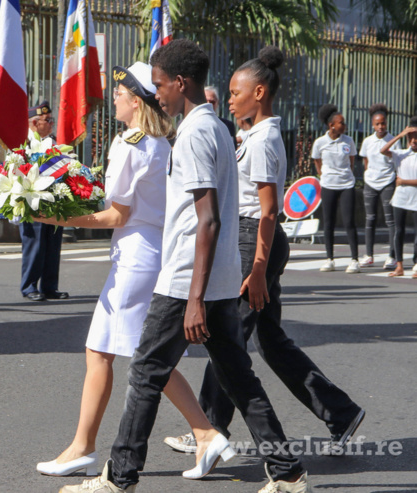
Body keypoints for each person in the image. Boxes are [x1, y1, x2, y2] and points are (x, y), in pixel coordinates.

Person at [61, 39, 309, 493]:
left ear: (181, 82)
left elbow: (208, 219)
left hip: (185, 282)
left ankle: (119, 478)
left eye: (159, 85)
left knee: (145, 374)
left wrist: (192, 299)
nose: (156, 95)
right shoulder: (213, 126)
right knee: (238, 377)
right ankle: (288, 472)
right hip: (216, 278)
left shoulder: (195, 132)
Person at [164, 46, 365, 462]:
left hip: (256, 242)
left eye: (236, 93)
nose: (230, 99)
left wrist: (257, 270)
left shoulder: (265, 138)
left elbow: (269, 210)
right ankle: (341, 413)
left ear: (258, 92)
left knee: (226, 336)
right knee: (272, 344)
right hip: (255, 240)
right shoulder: (256, 135)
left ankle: (211, 427)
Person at [33, 62, 225, 479]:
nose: (114, 99)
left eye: (119, 94)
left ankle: (203, 432)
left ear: (135, 101)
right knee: (116, 351)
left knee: (134, 354)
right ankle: (87, 445)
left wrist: (58, 219)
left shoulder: (131, 144)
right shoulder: (158, 142)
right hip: (150, 253)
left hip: (136, 257)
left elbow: (117, 216)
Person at [20, 102, 68, 302]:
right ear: (34, 122)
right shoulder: (23, 145)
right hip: (33, 201)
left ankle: (49, 287)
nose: (51, 124)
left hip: (54, 200)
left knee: (52, 245)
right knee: (35, 245)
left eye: (51, 120)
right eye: (47, 120)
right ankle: (29, 286)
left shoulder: (56, 143)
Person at [312, 103, 361, 274]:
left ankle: (355, 260)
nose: (344, 125)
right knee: (329, 222)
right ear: (331, 125)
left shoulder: (349, 141)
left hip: (346, 184)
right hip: (328, 184)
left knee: (349, 222)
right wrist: (324, 175)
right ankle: (330, 259)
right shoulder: (320, 143)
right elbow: (317, 162)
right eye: (341, 122)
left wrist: (344, 174)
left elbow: (352, 162)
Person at [358, 104, 400, 270]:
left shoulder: (392, 141)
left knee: (391, 220)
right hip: (370, 183)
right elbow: (365, 161)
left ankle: (392, 256)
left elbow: (396, 162)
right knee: (370, 219)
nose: (381, 126)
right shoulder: (368, 141)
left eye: (383, 123)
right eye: (377, 124)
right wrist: (369, 175)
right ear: (372, 125)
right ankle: (369, 255)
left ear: (386, 123)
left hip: (387, 182)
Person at [380, 118, 417, 278]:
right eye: (411, 137)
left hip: (415, 199)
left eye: (416, 137)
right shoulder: (401, 154)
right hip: (400, 199)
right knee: (398, 231)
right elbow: (383, 150)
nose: (414, 140)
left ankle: (416, 264)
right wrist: (401, 135)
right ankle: (399, 265)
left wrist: (403, 181)